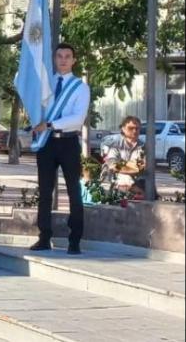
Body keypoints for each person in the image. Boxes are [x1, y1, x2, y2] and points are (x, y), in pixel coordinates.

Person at [31, 43, 91, 255]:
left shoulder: (80, 87)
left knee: (74, 191)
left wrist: (49, 124)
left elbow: (78, 119)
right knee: (45, 191)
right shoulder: (45, 85)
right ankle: (44, 237)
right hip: (47, 143)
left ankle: (75, 240)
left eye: (67, 56)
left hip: (67, 142)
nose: (63, 60)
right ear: (54, 59)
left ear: (74, 60)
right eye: (59, 56)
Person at [102, 116, 145, 191]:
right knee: (124, 179)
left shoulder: (143, 146)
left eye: (137, 128)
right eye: (131, 128)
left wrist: (122, 165)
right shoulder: (115, 144)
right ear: (123, 129)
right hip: (115, 179)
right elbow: (112, 165)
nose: (134, 131)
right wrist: (133, 167)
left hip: (137, 181)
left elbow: (141, 167)